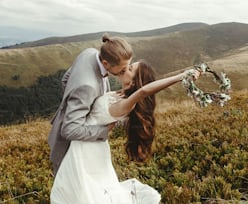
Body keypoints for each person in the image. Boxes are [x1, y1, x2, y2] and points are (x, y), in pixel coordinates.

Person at [50, 60, 201, 203]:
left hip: (88, 150)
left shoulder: (127, 104)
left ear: (134, 81)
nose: (126, 67)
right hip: (86, 145)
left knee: (86, 193)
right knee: (81, 191)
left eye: (130, 68)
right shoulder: (118, 94)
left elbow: (143, 91)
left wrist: (181, 76)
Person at [48, 33, 133, 176]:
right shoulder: (87, 87)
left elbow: (65, 79)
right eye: (122, 69)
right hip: (71, 150)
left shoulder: (90, 53)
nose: (124, 73)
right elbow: (69, 129)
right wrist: (103, 130)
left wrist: (77, 103)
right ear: (106, 64)